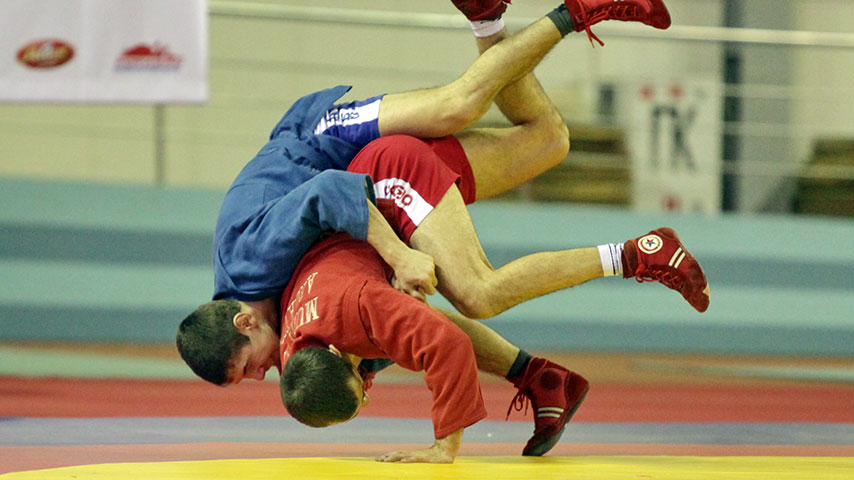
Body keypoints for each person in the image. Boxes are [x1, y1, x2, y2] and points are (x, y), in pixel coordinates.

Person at [210, 0, 675, 312]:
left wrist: (399, 256)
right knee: (548, 141)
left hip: (323, 139)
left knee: (458, 105)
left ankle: (579, 9)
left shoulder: (249, 263)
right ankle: (486, 18)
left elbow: (327, 190)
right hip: (362, 168)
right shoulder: (261, 294)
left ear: (242, 323)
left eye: (250, 367)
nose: (263, 373)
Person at [276, 232, 589, 463]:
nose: (368, 398)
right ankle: (542, 377)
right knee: (416, 327)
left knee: (478, 295)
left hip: (392, 205)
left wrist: (444, 446)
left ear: (335, 352)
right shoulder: (293, 355)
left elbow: (450, 345)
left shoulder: (362, 308)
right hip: (337, 265)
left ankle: (615, 257)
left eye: (361, 391)